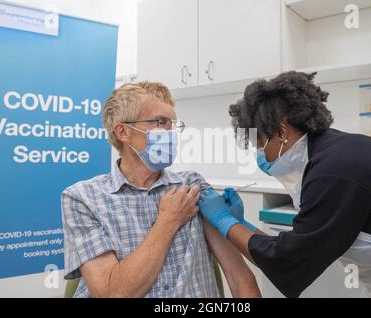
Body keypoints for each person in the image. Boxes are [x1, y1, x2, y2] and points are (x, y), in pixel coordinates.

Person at [198, 71, 371, 298]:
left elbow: (287, 259)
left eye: (259, 144)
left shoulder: (336, 170)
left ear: (281, 131)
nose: (259, 154)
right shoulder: (328, 155)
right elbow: (294, 245)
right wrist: (241, 224)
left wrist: (224, 221)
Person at [61, 82, 261, 298]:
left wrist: (233, 222)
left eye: (173, 124)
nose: (171, 133)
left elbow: (240, 279)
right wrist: (169, 221)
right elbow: (111, 293)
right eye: (160, 122)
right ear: (123, 132)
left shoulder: (192, 187)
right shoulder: (83, 198)